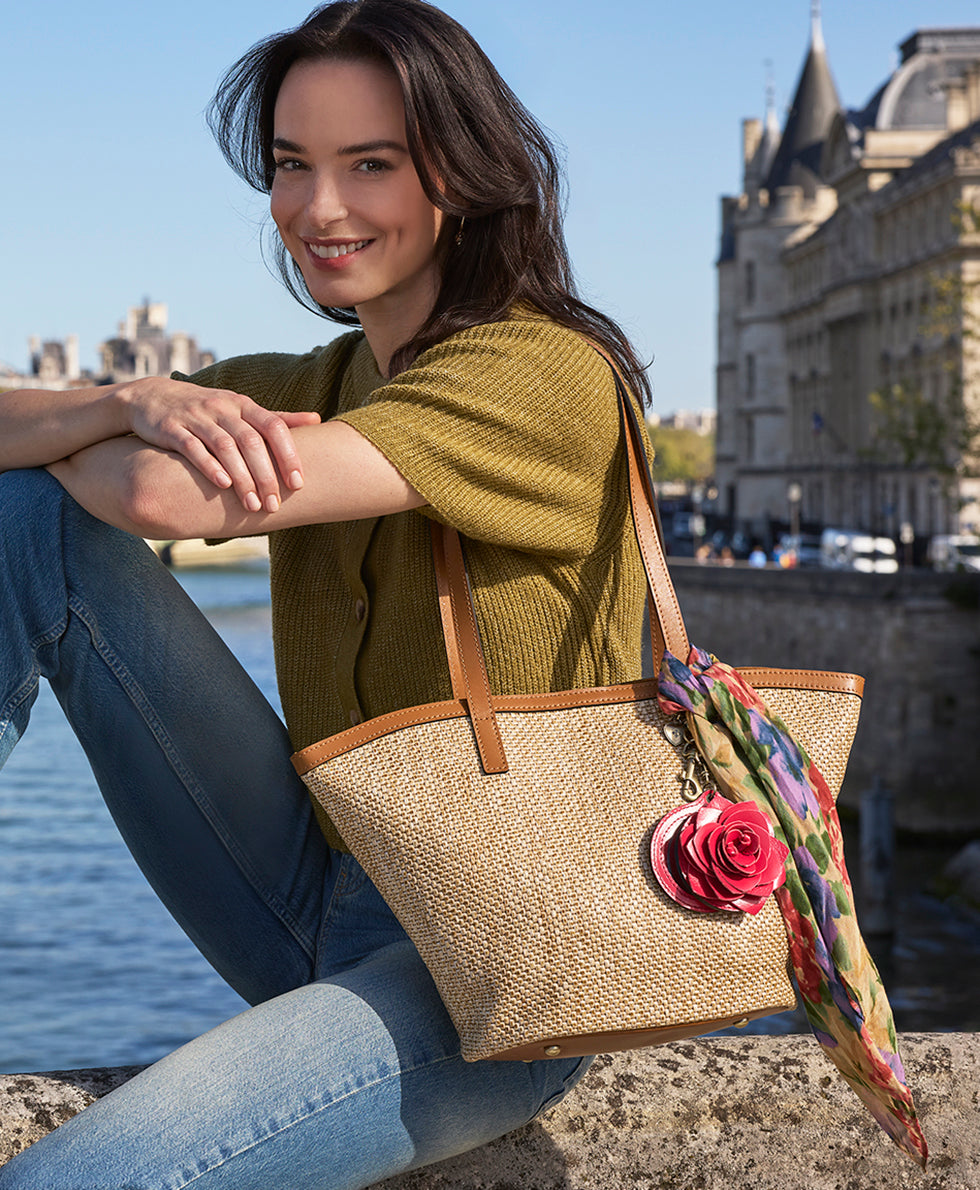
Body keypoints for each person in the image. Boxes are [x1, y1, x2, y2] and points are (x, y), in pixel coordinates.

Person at [0, 2, 652, 1186]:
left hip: (497, 977)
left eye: (370, 163)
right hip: (313, 895)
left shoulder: (544, 369)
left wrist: (123, 428)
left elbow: (161, 498)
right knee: (26, 514)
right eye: (292, 166)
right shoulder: (311, 380)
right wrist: (120, 397)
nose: (321, 208)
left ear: (462, 168)